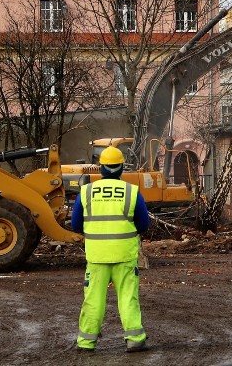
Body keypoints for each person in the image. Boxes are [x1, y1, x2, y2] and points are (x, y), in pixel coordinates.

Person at [71, 145, 150, 352]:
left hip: (97, 256)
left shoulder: (86, 192)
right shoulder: (132, 192)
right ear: (122, 167)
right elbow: (143, 224)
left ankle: (86, 342)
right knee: (127, 297)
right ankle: (135, 340)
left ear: (101, 168)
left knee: (93, 299)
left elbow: (76, 225)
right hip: (124, 255)